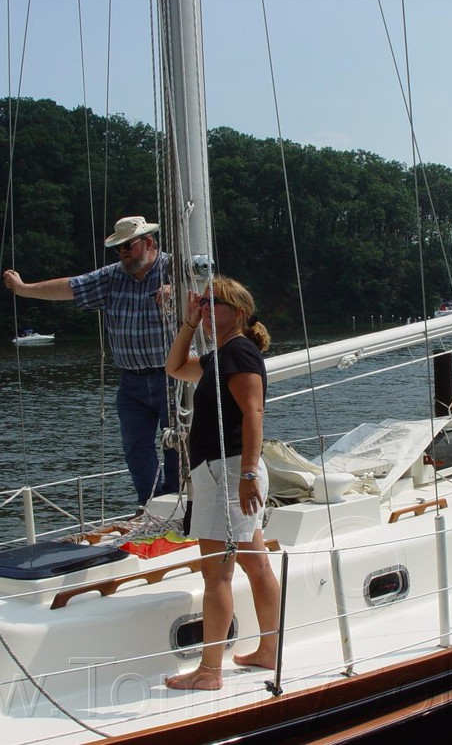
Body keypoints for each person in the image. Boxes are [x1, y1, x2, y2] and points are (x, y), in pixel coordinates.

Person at [2, 215, 178, 506]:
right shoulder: (112, 277)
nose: (122, 253)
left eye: (128, 246)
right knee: (135, 447)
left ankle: (177, 500)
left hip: (172, 377)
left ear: (148, 243)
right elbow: (70, 287)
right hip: (132, 380)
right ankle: (150, 505)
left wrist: (178, 292)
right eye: (118, 248)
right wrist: (24, 289)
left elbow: (211, 285)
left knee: (178, 443)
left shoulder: (175, 269)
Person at [163, 277, 281, 691]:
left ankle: (209, 671)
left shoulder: (239, 352)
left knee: (217, 575)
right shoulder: (220, 356)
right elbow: (175, 367)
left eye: (216, 303)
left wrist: (248, 474)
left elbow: (254, 414)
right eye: (205, 302)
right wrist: (190, 323)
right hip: (228, 472)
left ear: (240, 311)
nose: (208, 308)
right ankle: (269, 651)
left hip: (230, 473)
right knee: (255, 561)